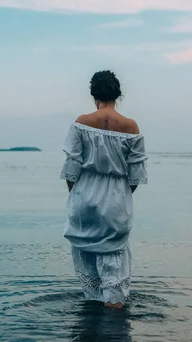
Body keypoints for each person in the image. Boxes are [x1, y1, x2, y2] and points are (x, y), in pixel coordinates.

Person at [60, 70, 148, 309]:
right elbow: (136, 175)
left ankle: (94, 318)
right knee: (114, 264)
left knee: (88, 262)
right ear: (117, 94)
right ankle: (113, 322)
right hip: (117, 199)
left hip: (84, 195)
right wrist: (119, 197)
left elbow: (71, 169)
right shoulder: (131, 127)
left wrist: (78, 194)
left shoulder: (81, 123)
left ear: (93, 95)